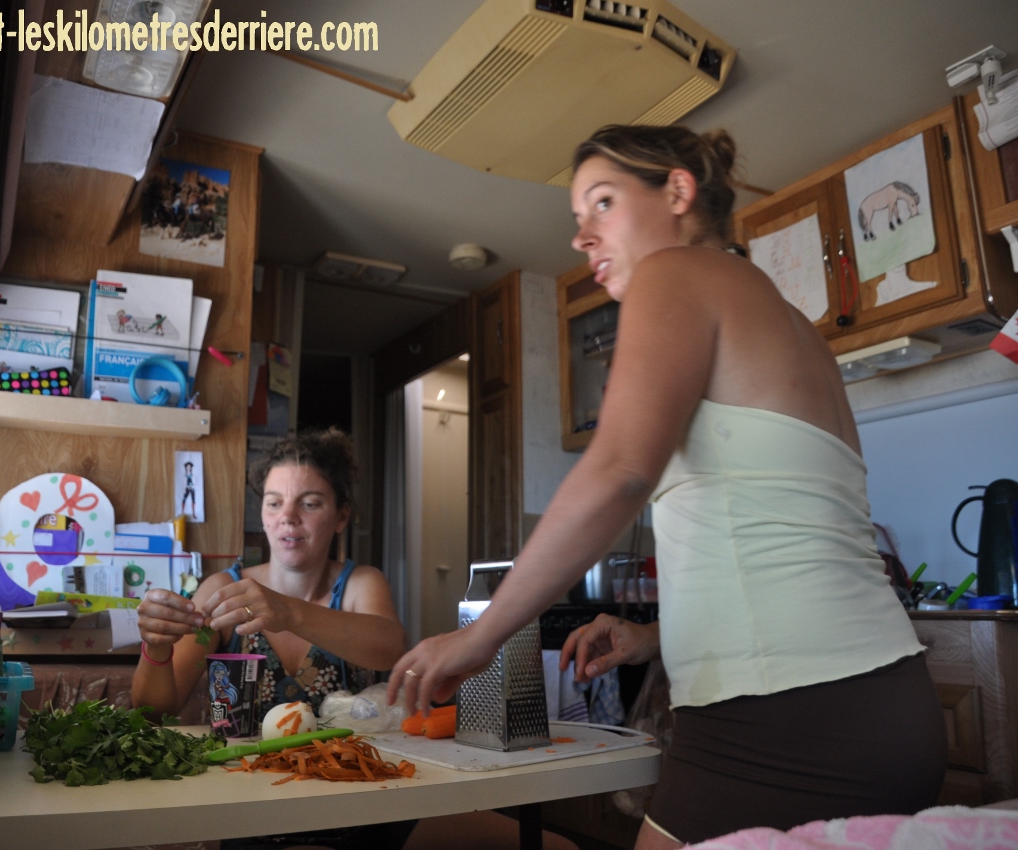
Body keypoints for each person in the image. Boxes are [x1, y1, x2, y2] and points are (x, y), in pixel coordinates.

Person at [388, 125, 947, 849]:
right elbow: (775, 537)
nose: (581, 237)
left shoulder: (674, 272)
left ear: (678, 191)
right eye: (577, 217)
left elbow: (619, 472)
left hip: (785, 716)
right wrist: (653, 637)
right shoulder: (792, 325)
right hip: (883, 700)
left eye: (603, 203)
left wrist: (480, 637)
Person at [133, 428, 416, 850]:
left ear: (341, 516)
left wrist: (289, 612)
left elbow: (390, 646)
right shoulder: (222, 590)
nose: (288, 516)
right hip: (244, 812)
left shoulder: (360, 583)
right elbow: (155, 711)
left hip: (352, 810)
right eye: (274, 502)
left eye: (310, 503)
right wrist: (155, 646)